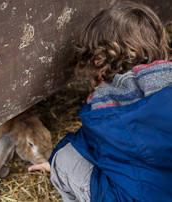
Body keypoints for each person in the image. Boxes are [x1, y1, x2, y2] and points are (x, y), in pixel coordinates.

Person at [29, 1, 172, 201]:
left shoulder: (107, 109)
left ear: (98, 64)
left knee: (64, 158)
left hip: (130, 197)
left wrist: (52, 162)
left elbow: (88, 145)